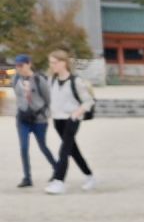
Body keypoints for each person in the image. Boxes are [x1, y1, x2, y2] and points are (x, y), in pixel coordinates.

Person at [45, 50, 96, 194]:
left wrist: (76, 114)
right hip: (57, 120)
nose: (52, 65)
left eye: (54, 62)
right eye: (51, 62)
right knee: (73, 150)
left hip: (71, 120)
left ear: (63, 63)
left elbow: (88, 101)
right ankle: (89, 176)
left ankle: (58, 181)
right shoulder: (51, 80)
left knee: (64, 150)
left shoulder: (76, 81)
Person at [10, 54, 56, 188]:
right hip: (22, 119)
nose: (18, 68)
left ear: (29, 64)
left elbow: (48, 99)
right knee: (23, 148)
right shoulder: (15, 79)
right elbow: (19, 97)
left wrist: (44, 114)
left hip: (39, 120)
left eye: (21, 65)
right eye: (17, 65)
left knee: (43, 146)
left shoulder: (39, 79)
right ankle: (27, 177)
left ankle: (57, 168)